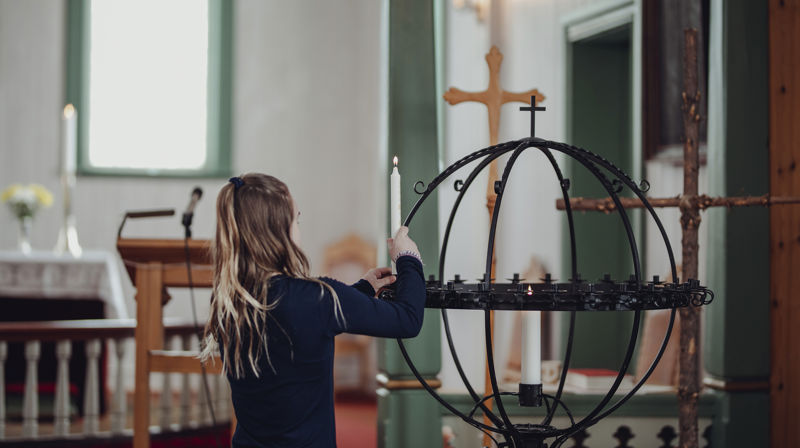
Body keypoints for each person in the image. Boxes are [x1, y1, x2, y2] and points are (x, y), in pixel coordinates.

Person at [200, 173, 426, 448]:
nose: (298, 226)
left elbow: (301, 319)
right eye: (296, 219)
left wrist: (364, 287)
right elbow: (407, 320)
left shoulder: (229, 300)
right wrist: (409, 259)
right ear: (279, 230)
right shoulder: (316, 298)